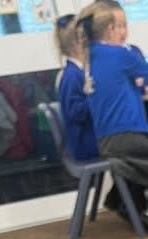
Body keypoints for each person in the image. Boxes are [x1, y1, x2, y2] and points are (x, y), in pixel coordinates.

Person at [77, 0, 148, 231]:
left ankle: (128, 194)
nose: (125, 31)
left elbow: (128, 83)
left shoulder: (91, 55)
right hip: (127, 133)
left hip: (108, 139)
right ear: (110, 30)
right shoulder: (119, 54)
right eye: (121, 25)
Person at [54, 14, 98, 162]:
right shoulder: (71, 76)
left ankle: (125, 186)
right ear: (79, 44)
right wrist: (93, 96)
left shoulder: (78, 72)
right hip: (86, 144)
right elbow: (76, 112)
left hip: (89, 139)